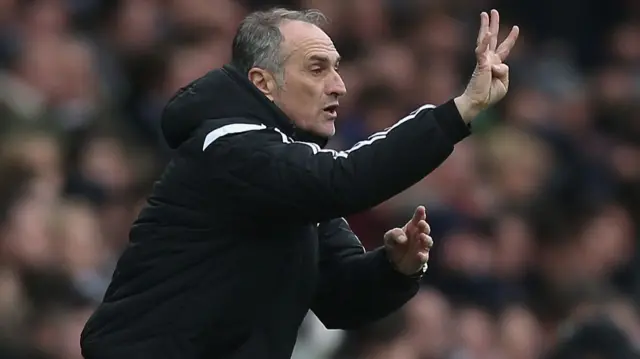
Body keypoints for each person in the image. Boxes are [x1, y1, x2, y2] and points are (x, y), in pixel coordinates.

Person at [80, 7, 519, 359]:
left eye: (337, 68)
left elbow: (339, 297)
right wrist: (462, 108)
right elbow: (345, 179)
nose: (339, 86)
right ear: (263, 83)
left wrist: (394, 267)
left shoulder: (288, 170)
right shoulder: (230, 145)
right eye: (317, 69)